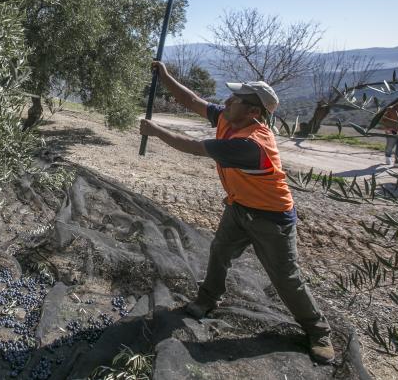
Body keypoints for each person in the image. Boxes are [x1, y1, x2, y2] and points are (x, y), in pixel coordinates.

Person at [138, 61, 335, 364]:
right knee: (220, 251)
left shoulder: (251, 145)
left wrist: (154, 130)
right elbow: (192, 101)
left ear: (253, 112)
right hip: (239, 207)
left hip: (272, 219)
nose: (226, 101)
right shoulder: (232, 118)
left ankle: (317, 330)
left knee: (285, 277)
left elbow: (192, 147)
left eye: (235, 99)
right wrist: (165, 76)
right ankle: (207, 299)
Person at [380, 96, 398, 166]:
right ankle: (387, 157)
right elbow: (383, 120)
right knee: (390, 147)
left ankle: (397, 163)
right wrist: (388, 129)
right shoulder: (390, 109)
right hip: (392, 132)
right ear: (397, 101)